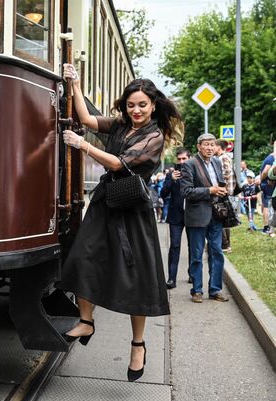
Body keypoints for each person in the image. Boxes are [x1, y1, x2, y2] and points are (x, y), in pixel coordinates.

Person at [58, 63, 183, 382]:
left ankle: (138, 345)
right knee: (83, 257)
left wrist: (82, 145)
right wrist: (75, 83)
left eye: (142, 104)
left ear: (153, 105)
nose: (136, 110)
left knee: (136, 280)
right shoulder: (118, 126)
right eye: (131, 105)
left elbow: (120, 163)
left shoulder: (154, 136)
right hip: (105, 204)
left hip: (132, 210)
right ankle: (86, 321)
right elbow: (86, 119)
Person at [181, 133, 229, 303]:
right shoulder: (189, 164)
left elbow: (219, 183)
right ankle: (197, 290)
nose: (210, 148)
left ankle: (215, 290)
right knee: (196, 254)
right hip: (196, 216)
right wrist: (210, 190)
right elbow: (186, 192)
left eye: (212, 144)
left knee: (217, 253)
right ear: (198, 146)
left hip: (216, 215)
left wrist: (222, 190)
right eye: (206, 144)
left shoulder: (216, 161)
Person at [161, 148, 191, 289]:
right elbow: (163, 193)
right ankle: (171, 279)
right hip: (175, 216)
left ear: (189, 159)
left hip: (192, 215)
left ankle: (192, 275)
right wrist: (171, 180)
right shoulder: (171, 174)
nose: (181, 162)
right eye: (179, 159)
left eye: (184, 159)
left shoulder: (195, 172)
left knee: (194, 246)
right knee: (175, 246)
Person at [215, 139, 235, 253]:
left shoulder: (223, 158)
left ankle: (226, 245)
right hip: (226, 191)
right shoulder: (223, 157)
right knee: (224, 217)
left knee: (222, 217)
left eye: (214, 146)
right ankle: (226, 245)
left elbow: (226, 172)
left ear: (219, 147)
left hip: (224, 192)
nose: (212, 148)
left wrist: (218, 183)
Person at [259, 142, 275, 234]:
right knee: (267, 206)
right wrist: (261, 180)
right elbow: (265, 172)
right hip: (268, 184)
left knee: (268, 205)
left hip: (268, 184)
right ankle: (267, 227)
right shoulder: (271, 158)